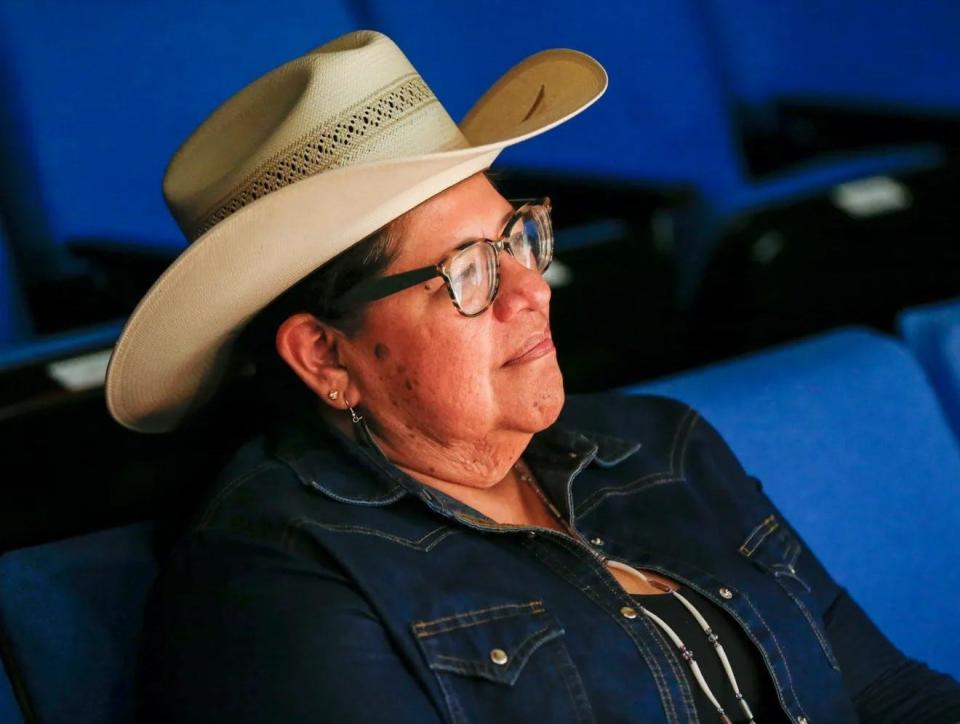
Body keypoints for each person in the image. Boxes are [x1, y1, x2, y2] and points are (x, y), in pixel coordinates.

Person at [108, 30, 960, 723]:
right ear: (327, 357)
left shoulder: (661, 446)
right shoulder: (278, 589)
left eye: (517, 238)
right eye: (468, 272)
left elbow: (884, 695)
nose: (531, 290)